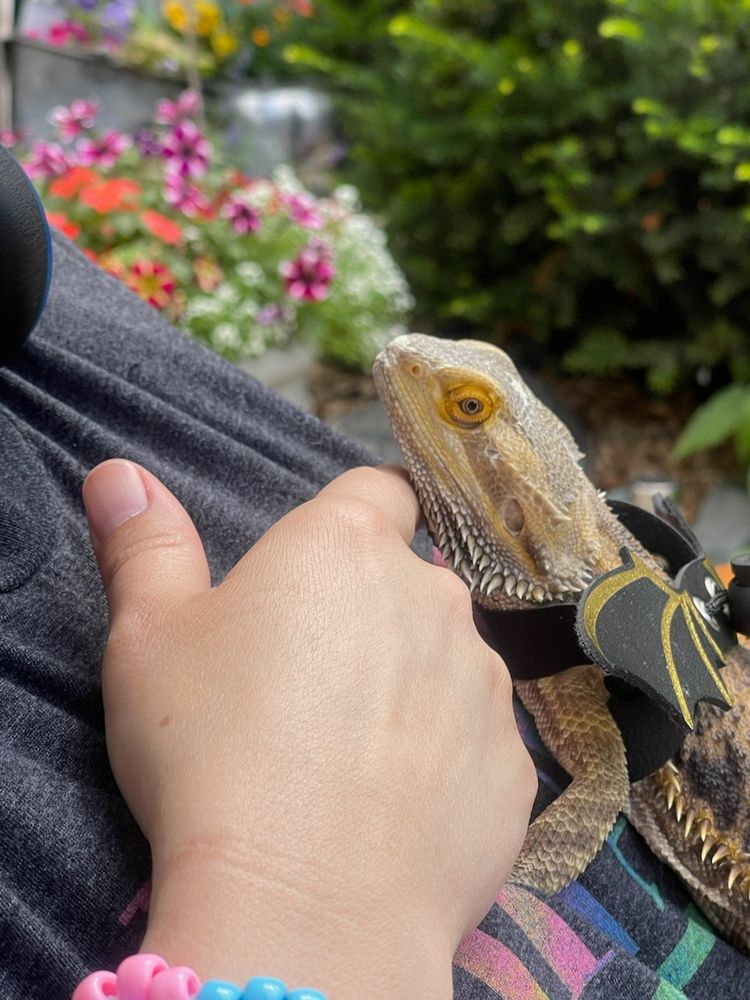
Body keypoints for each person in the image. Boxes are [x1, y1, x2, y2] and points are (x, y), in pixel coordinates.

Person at [1, 232, 749, 999]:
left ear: (518, 511)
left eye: (466, 406)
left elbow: (600, 778)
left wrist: (515, 880)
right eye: (470, 406)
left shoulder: (577, 639)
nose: (409, 358)